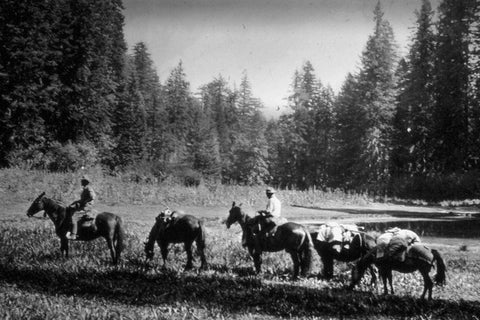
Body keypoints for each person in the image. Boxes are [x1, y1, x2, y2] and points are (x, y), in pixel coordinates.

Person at [66, 175, 96, 240]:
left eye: (82, 181)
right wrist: (73, 203)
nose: (81, 182)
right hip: (84, 205)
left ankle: (73, 234)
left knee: (74, 216)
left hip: (86, 207)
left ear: (85, 182)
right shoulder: (85, 188)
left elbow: (92, 196)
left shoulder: (88, 188)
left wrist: (85, 202)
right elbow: (82, 199)